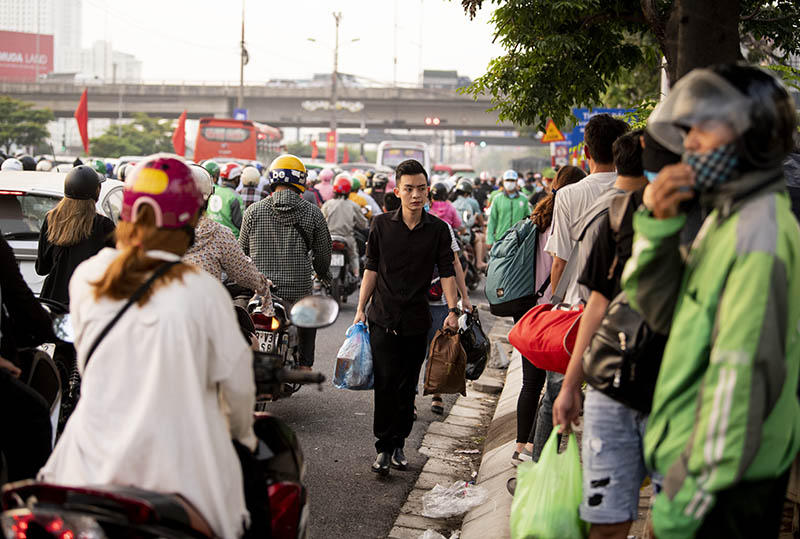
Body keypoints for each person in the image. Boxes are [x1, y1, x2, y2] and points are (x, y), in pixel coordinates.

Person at [620, 65, 800, 539]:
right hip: (699, 473)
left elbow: (738, 382)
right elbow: (659, 310)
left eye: (705, 126)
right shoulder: (728, 217)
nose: (691, 142)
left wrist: (683, 501)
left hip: (718, 490)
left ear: (753, 133)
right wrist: (657, 226)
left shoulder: (758, 234)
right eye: (687, 129)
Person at [38, 154, 257, 539]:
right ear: (190, 221)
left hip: (84, 466)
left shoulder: (89, 277)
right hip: (179, 483)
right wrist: (243, 437)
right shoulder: (205, 293)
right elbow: (237, 397)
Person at [550, 131, 661, 539]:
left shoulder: (709, 221)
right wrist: (570, 387)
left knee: (669, 521)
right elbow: (596, 305)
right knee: (607, 521)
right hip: (611, 389)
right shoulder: (618, 216)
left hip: (676, 395)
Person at [353, 159, 460, 476]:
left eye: (421, 189)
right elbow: (371, 269)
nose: (416, 195)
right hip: (382, 318)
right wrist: (360, 308)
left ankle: (399, 442)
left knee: (406, 386)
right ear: (397, 191)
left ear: (429, 192)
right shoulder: (381, 226)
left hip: (417, 320)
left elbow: (447, 272)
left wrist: (453, 310)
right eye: (409, 189)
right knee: (385, 383)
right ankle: (384, 448)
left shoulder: (438, 230)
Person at [508, 165, 587, 467]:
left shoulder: (535, 220)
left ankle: (519, 446)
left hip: (530, 313)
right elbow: (559, 266)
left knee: (530, 382)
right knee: (554, 385)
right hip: (556, 315)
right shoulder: (567, 222)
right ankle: (533, 447)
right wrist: (557, 304)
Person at [239, 155, 332, 369]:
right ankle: (305, 365)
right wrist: (324, 275)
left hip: (260, 290)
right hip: (297, 291)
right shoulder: (313, 214)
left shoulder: (253, 211)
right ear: (301, 181)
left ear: (273, 178)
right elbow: (323, 255)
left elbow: (241, 251)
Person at [0, 232, 56, 483]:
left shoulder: (54, 220)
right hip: (55, 306)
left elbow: (41, 265)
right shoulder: (103, 228)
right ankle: (26, 503)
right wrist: (44, 328)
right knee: (34, 414)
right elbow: (21, 302)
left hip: (50, 296)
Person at [184, 165, 272, 304]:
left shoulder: (157, 230)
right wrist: (262, 284)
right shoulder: (218, 233)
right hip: (206, 309)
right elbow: (243, 271)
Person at [36, 165, 116, 305]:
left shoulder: (50, 220)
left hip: (53, 303)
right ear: (96, 192)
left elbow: (42, 268)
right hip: (89, 303)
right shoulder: (104, 226)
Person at [321, 175, 368, 279]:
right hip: (347, 238)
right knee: (353, 256)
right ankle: (356, 275)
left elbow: (320, 221)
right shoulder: (353, 205)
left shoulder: (328, 204)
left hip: (328, 237)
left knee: (319, 255)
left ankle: (316, 280)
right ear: (348, 191)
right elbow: (363, 224)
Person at [486, 170, 530, 249]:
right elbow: (492, 220)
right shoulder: (497, 199)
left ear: (516, 182)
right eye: (507, 180)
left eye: (512, 180)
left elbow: (529, 218)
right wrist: (489, 239)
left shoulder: (523, 199)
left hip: (519, 239)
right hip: (501, 238)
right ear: (503, 181)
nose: (510, 182)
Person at [452, 180, 487, 271]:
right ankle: (479, 262)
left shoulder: (451, 203)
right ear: (468, 193)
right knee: (479, 239)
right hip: (464, 234)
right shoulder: (469, 203)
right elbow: (469, 222)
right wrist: (474, 217)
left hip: (453, 234)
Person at [208, 163, 245, 238]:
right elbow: (239, 223)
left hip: (213, 236)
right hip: (231, 239)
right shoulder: (235, 196)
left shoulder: (213, 191)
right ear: (236, 179)